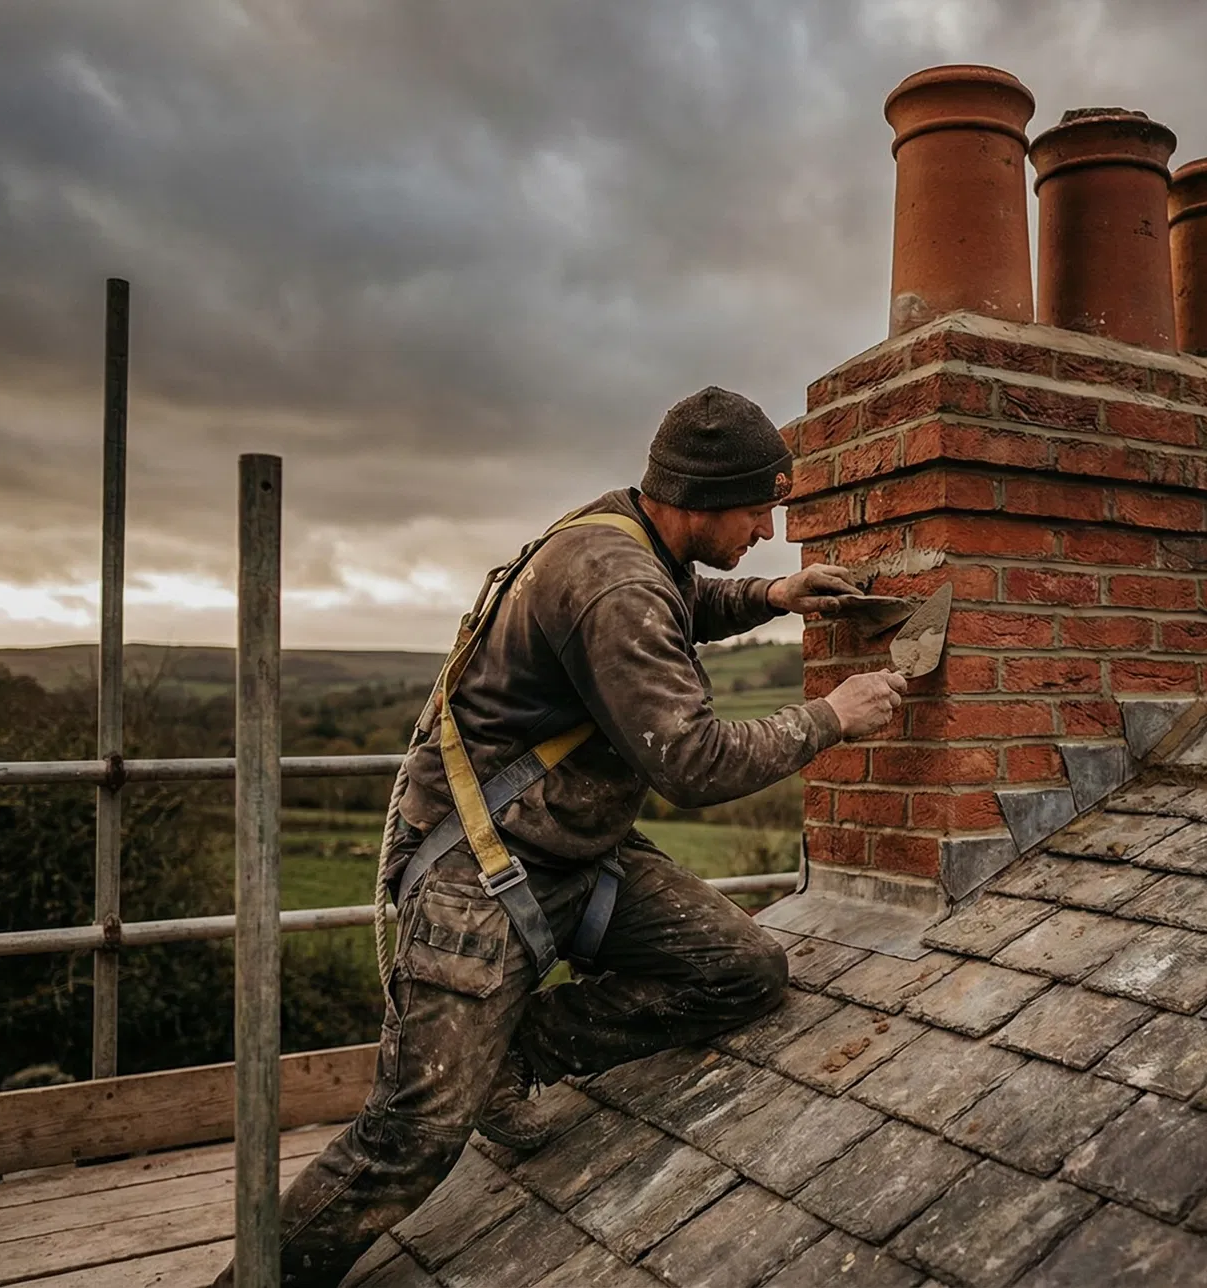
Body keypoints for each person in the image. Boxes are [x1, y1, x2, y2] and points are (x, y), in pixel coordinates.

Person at [214, 387, 908, 1286]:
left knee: (741, 969)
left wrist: (774, 595)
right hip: (480, 867)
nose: (766, 530)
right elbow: (693, 763)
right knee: (413, 1134)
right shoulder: (614, 580)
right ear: (697, 499)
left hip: (574, 851)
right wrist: (831, 716)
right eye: (757, 510)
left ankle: (517, 1048)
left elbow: (678, 604)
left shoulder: (622, 533)